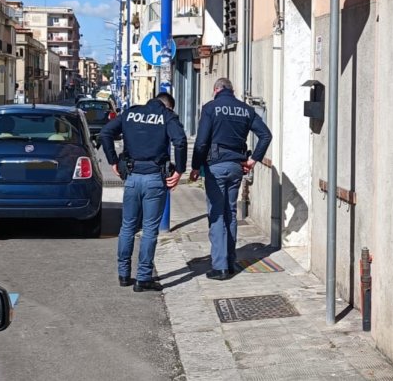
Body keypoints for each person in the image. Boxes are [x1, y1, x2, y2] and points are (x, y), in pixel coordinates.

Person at [99, 92, 187, 292]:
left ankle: (123, 274)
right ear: (168, 107)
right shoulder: (167, 116)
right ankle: (143, 278)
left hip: (131, 177)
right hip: (155, 179)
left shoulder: (130, 113)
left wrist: (113, 161)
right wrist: (180, 170)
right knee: (149, 229)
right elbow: (180, 141)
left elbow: (105, 133)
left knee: (127, 226)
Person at [189, 78, 272, 280]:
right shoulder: (245, 109)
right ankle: (231, 261)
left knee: (217, 215)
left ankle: (220, 267)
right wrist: (253, 160)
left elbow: (201, 142)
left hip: (215, 167)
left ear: (216, 89)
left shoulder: (210, 108)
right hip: (237, 167)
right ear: (231, 90)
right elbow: (266, 135)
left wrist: (195, 166)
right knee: (231, 213)